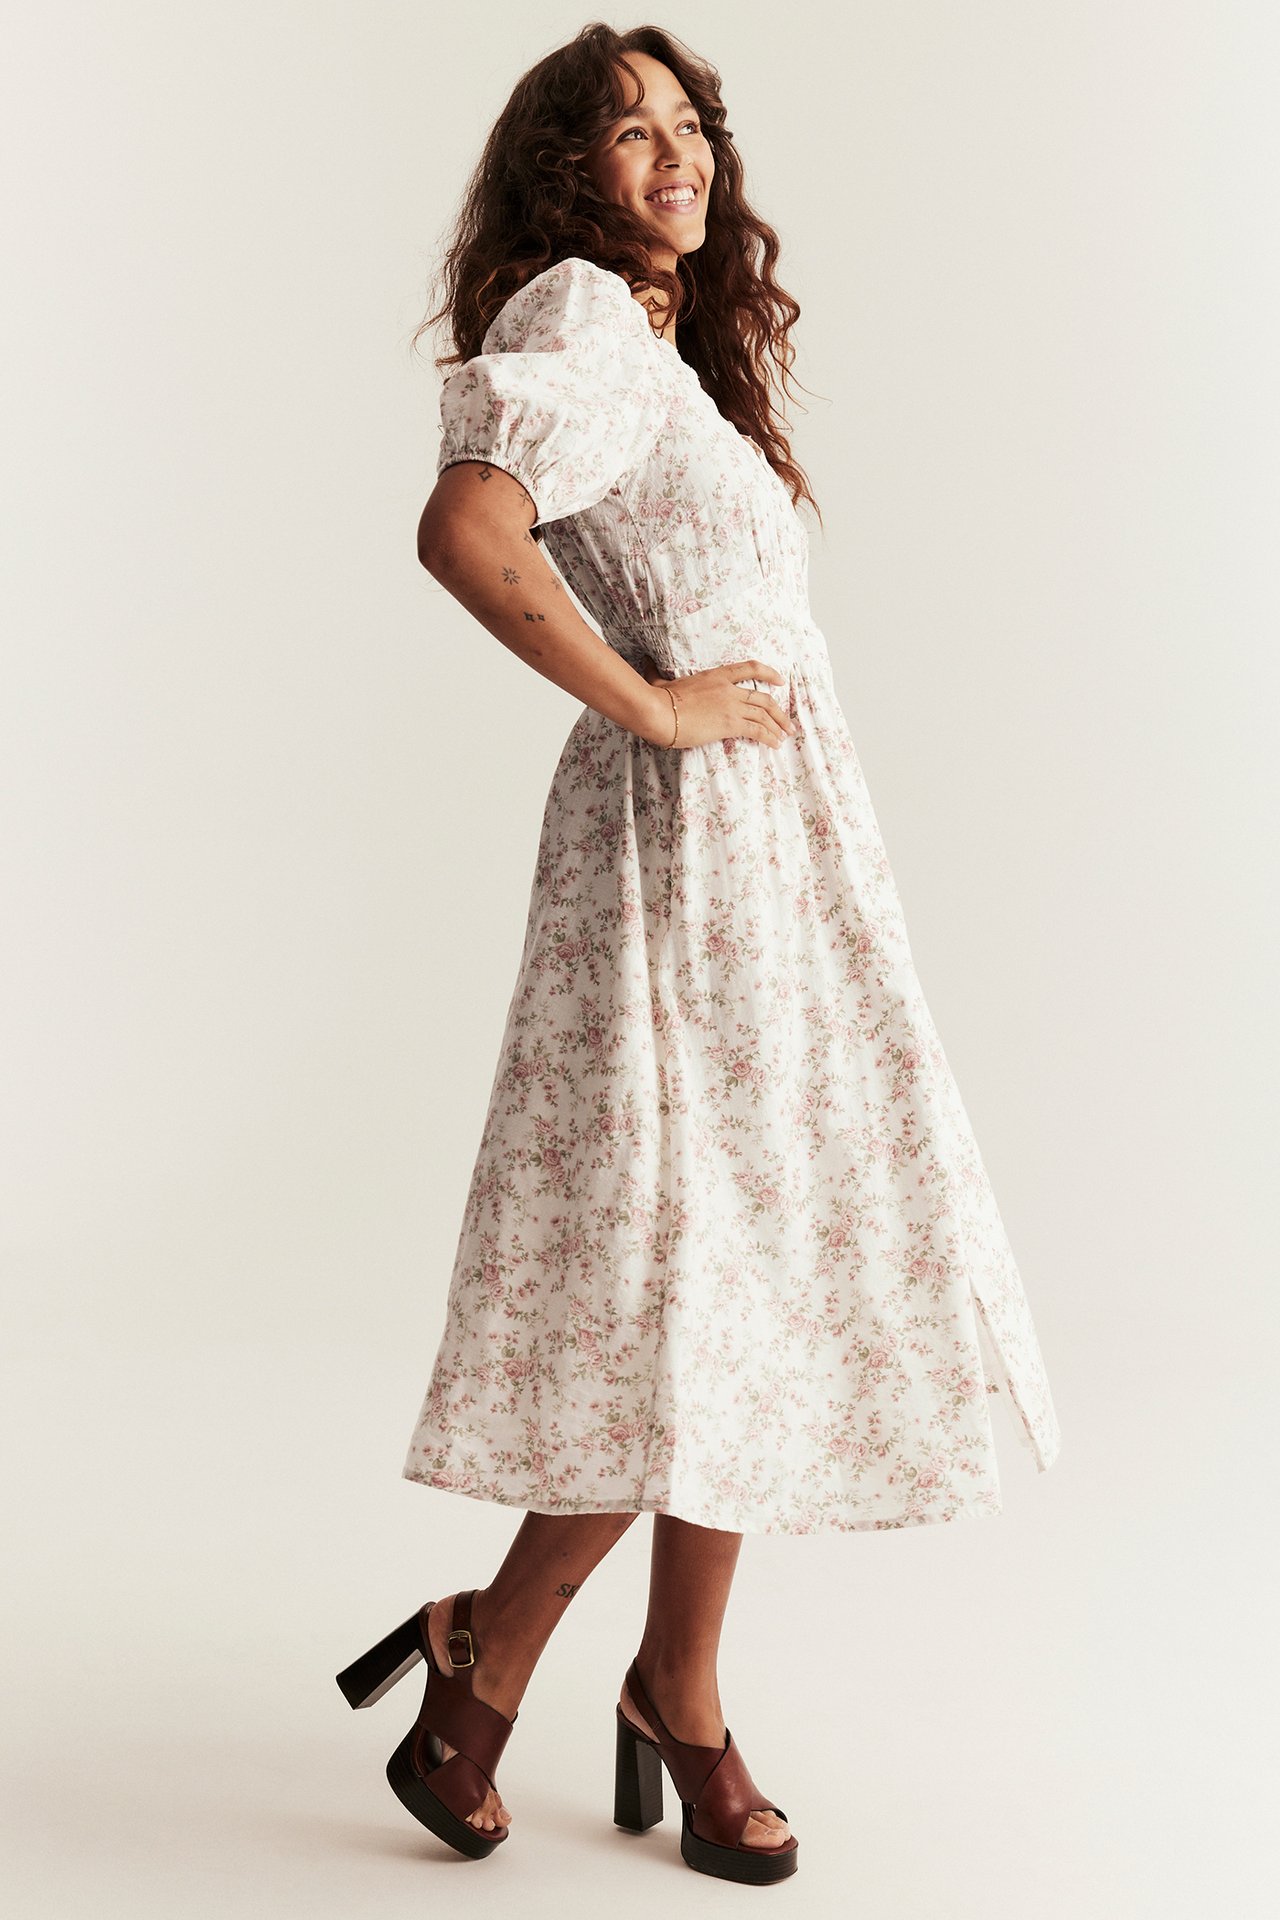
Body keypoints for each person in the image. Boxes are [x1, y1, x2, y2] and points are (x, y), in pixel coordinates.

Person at [336, 22, 1061, 1885]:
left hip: (778, 858)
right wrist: (655, 709)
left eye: (690, 125)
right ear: (567, 174)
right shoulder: (578, 316)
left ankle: (653, 1681)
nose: (674, 154)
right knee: (683, 1271)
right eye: (629, 129)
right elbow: (465, 526)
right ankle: (513, 1665)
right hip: (685, 856)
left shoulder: (661, 349)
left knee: (743, 1271)